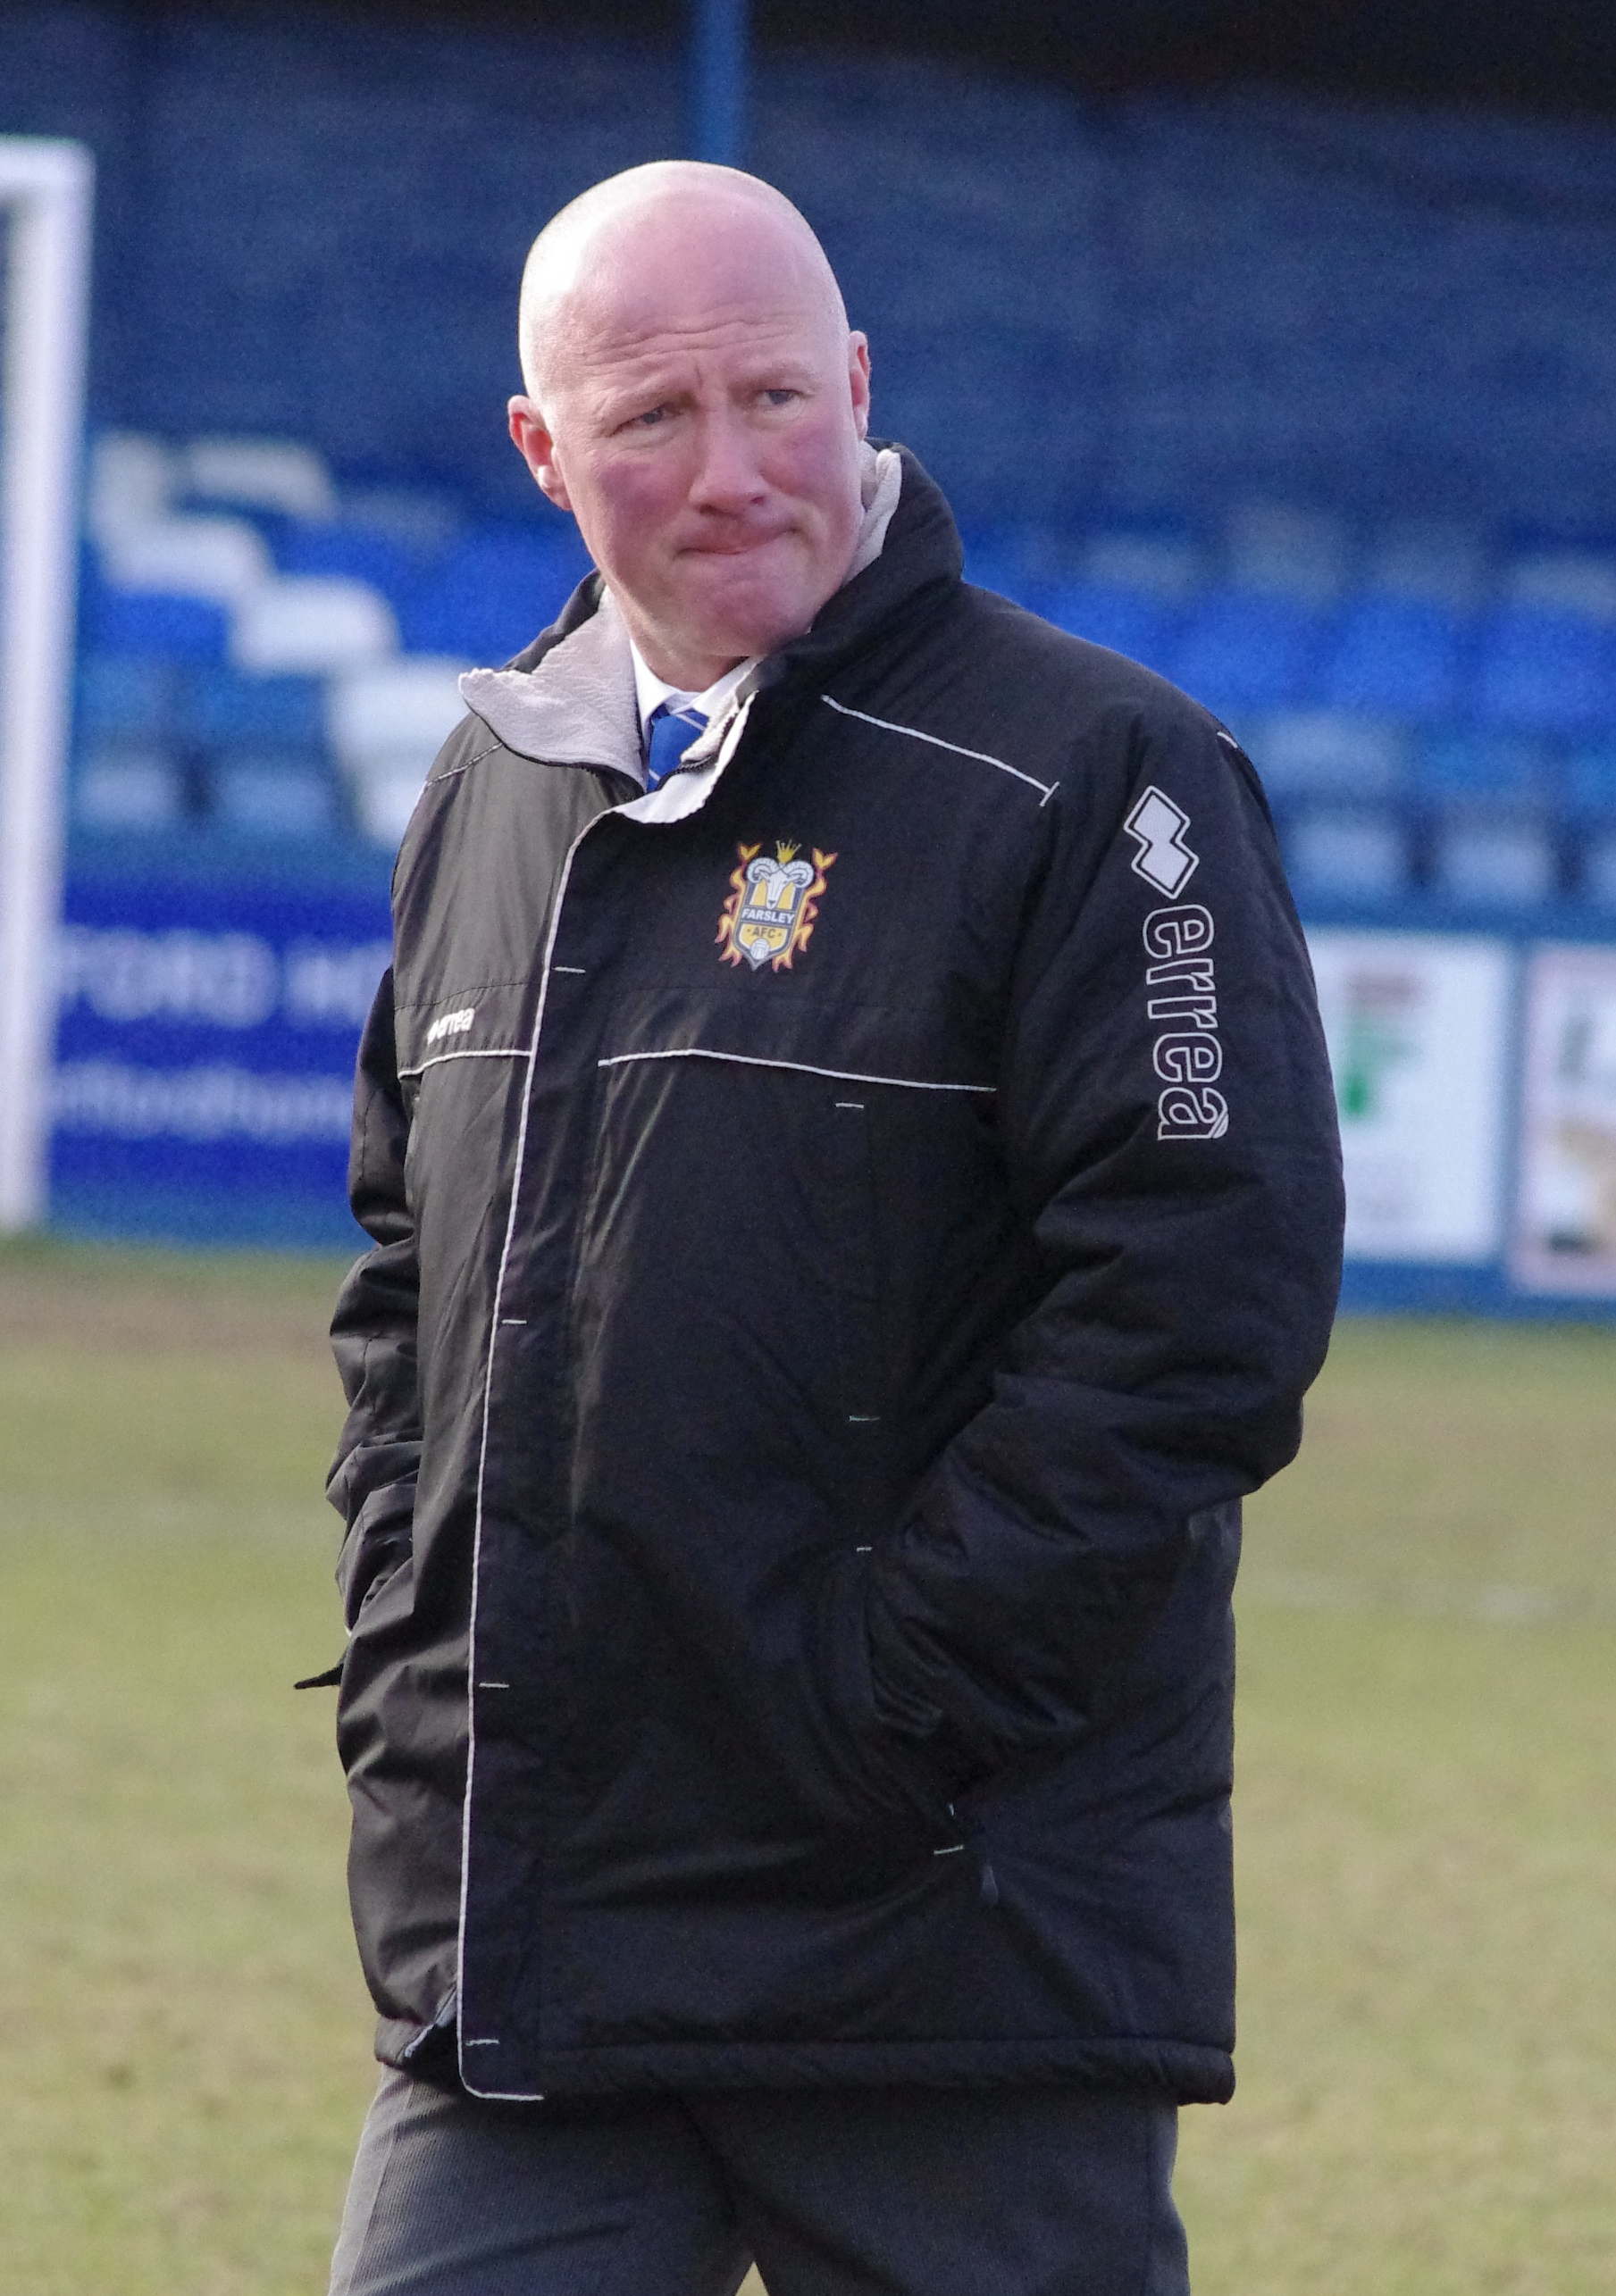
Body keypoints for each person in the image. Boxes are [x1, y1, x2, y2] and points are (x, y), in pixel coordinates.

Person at [321, 161, 1344, 2296]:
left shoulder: (1103, 779)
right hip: (545, 1947)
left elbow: (1198, 1306)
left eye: (775, 398)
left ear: (860, 384)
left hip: (939, 1934)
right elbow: (401, 1283)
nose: (728, 475)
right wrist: (418, 1670)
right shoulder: (494, 778)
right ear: (541, 448)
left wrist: (880, 1699)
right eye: (648, 421)